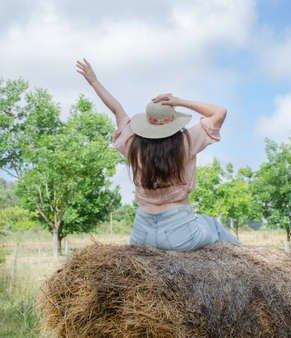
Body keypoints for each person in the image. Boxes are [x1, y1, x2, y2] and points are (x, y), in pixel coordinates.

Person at [76, 58, 240, 250]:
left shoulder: (133, 145)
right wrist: (179, 101)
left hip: (140, 235)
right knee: (213, 225)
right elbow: (220, 113)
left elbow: (117, 109)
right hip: (180, 233)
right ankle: (252, 267)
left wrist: (94, 81)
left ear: (148, 123)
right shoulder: (186, 142)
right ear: (173, 122)